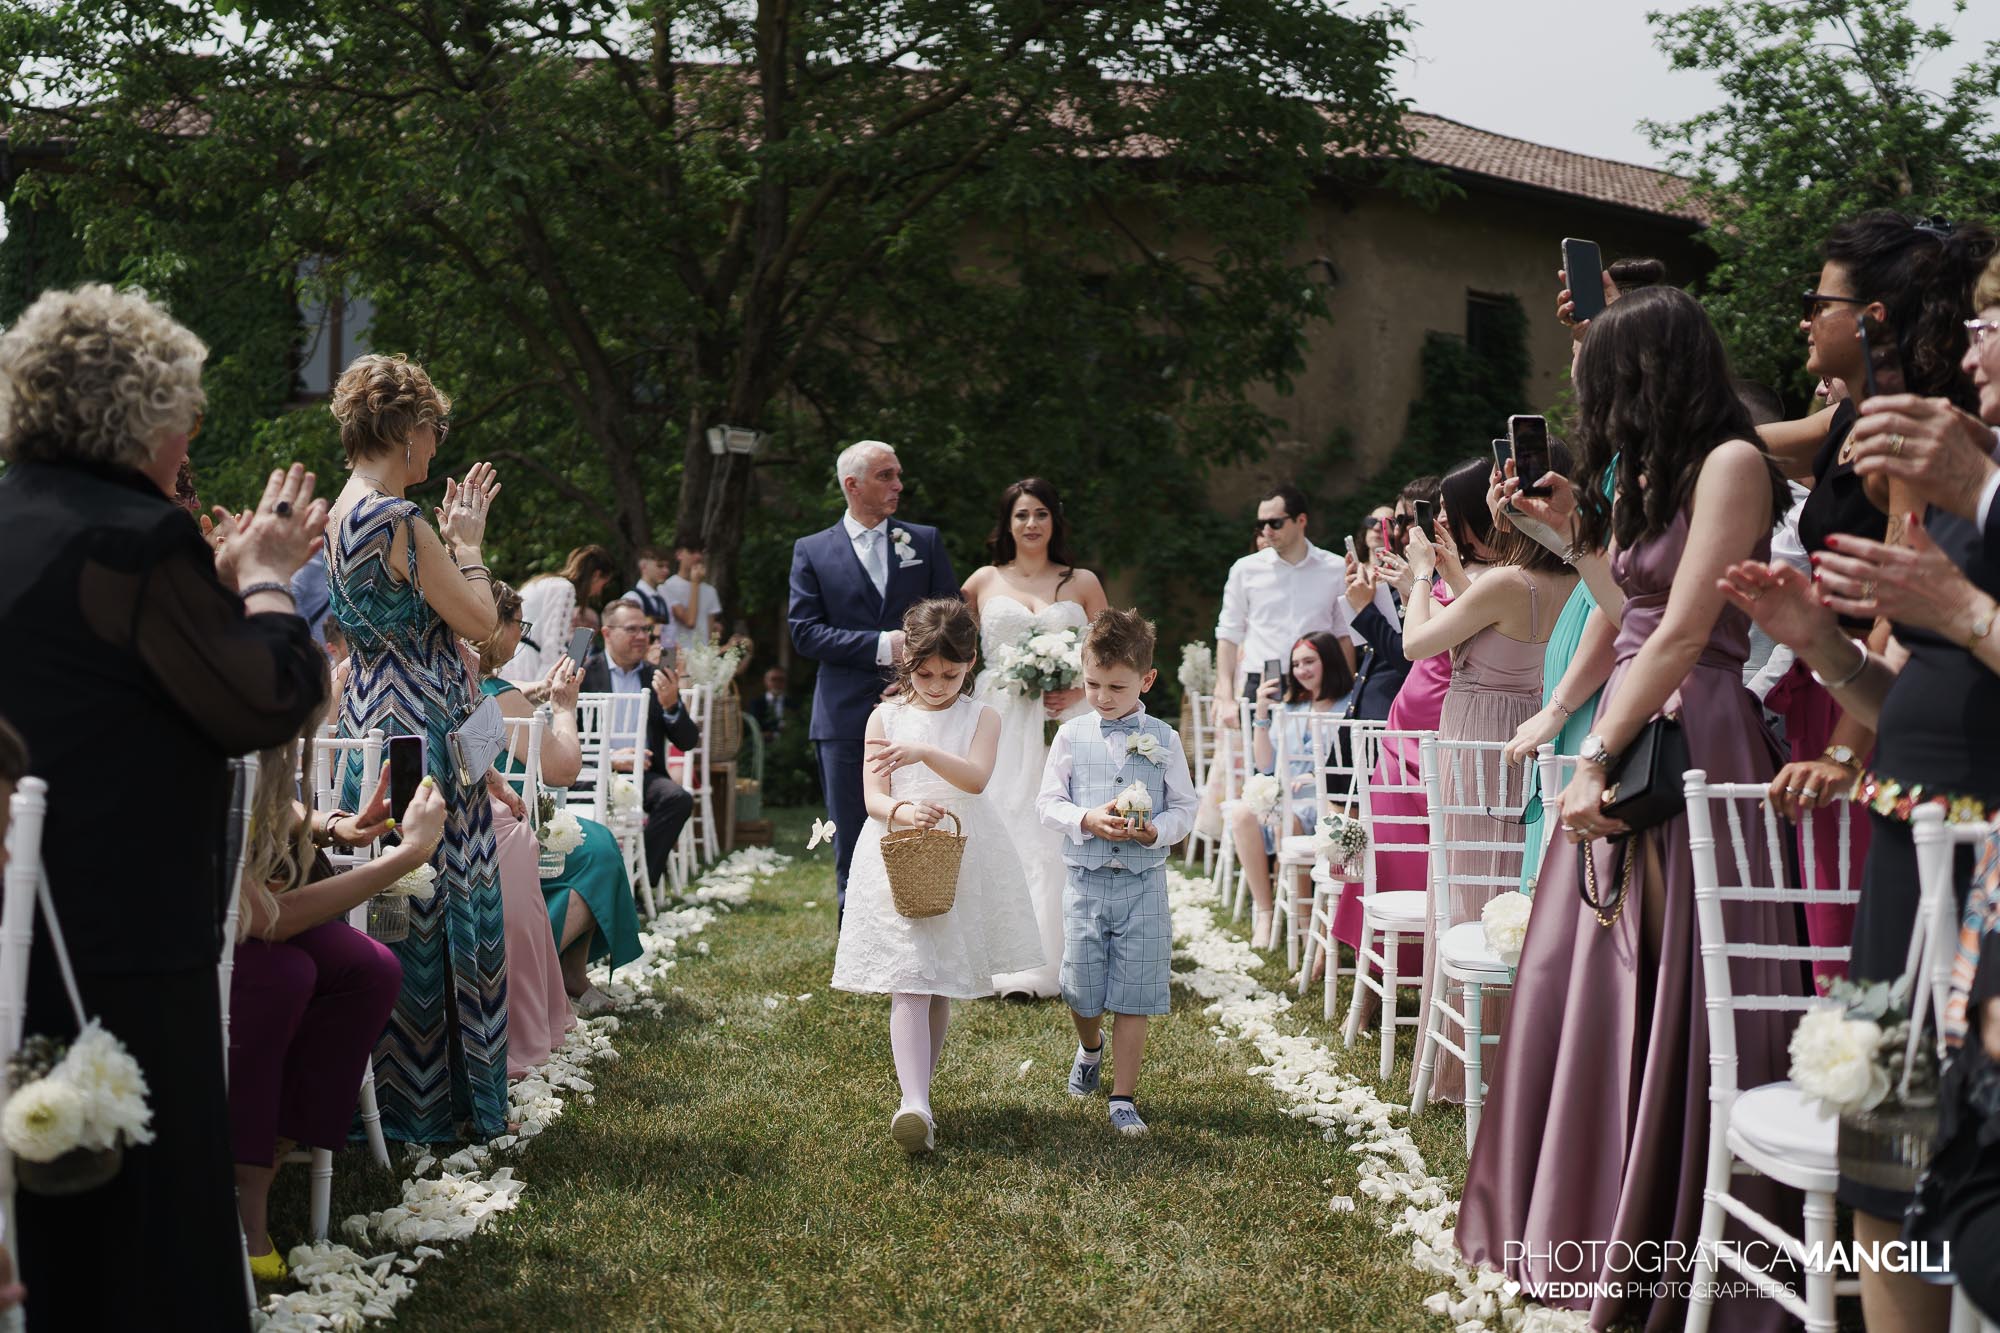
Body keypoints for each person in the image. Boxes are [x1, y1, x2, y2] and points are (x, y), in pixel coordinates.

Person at [1456, 285, 1801, 1332]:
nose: (1581, 399)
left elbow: (1689, 629)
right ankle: (1577, 1217)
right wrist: (1567, 540)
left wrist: (1592, 754)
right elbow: (1626, 610)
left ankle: (1682, 1250)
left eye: (1593, 377)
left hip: (1688, 734)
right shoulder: (1645, 473)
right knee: (1587, 973)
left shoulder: (1732, 463)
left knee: (1678, 984)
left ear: (1644, 372)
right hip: (1628, 719)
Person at [0, 284, 328, 1331]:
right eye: (185, 410)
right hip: (121, 941)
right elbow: (267, 696)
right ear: (142, 414)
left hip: (15, 920)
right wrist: (267, 578)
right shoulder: (134, 540)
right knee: (141, 1240)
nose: (190, 433)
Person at [1720, 239, 2000, 1332]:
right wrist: (1822, 649)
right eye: (1971, 324)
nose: (1971, 350)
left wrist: (1964, 606)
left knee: (1966, 1183)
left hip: (1982, 880)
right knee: (1888, 1185)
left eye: (1990, 326)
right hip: (1905, 861)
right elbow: (1915, 692)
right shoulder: (1963, 491)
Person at [324, 351, 511, 1145]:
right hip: (426, 720)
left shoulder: (340, 511)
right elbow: (481, 623)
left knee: (397, 887)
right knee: (437, 891)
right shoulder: (402, 520)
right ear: (405, 430)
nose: (436, 447)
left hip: (371, 713)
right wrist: (467, 541)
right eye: (433, 429)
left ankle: (390, 1096)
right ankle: (436, 1107)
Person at [228, 681, 435, 1280]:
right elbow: (263, 920)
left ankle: (277, 1141)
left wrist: (345, 827)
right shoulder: (204, 738)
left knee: (370, 969)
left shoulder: (260, 746)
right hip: (192, 927)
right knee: (286, 975)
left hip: (256, 905)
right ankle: (248, 1206)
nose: (298, 748)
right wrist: (405, 855)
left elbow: (273, 803)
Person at [829, 599, 1041, 1154]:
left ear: (970, 662)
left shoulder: (982, 717)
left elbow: (974, 780)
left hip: (961, 849)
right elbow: (874, 796)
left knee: (938, 975)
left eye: (951, 673)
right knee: (910, 976)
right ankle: (913, 1103)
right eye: (925, 674)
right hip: (899, 849)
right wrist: (900, 812)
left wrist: (923, 751)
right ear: (907, 664)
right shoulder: (884, 717)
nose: (938, 684)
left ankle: (922, 1091)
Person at [1398, 474, 1575, 1103]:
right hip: (1526, 735)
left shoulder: (1505, 583)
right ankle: (1512, 1055)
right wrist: (1455, 571)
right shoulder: (1567, 581)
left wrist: (1423, 573)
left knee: (1464, 881)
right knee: (1505, 877)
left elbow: (1416, 643)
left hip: (1476, 738)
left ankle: (1459, 1064)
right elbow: (1505, 632)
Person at [1037, 608, 1199, 1138]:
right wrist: (1084, 818)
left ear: (1146, 681)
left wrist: (1158, 832)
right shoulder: (1070, 735)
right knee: (1080, 987)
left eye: (1116, 686)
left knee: (1136, 989)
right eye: (1092, 684)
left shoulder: (1165, 739)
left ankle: (1123, 1096)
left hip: (1143, 886)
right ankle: (1089, 1046)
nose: (1102, 697)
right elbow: (1047, 803)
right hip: (1084, 882)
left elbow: (1184, 808)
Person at [788, 440, 959, 912]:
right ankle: (855, 946)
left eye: (898, 474)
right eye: (886, 475)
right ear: (852, 485)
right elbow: (804, 633)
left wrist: (916, 678)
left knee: (921, 826)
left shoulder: (922, 542)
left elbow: (951, 618)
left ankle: (922, 925)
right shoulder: (812, 551)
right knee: (850, 832)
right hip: (843, 717)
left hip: (921, 714)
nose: (898, 485)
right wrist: (884, 646)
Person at [962, 477, 1108, 999]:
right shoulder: (981, 582)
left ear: (1055, 520)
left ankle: (1057, 960)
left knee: (1056, 833)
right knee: (1001, 823)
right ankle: (995, 961)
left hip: (1063, 718)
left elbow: (1112, 656)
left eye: (1041, 513)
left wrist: (1080, 696)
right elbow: (958, 654)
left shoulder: (1082, 582)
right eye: (1021, 515)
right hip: (999, 720)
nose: (1031, 524)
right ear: (1007, 523)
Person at [478, 581, 641, 1016]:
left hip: (482, 823)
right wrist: (565, 708)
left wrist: (536, 690)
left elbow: (501, 698)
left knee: (591, 843)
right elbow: (564, 770)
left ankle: (572, 976)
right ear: (497, 628)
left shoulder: (465, 679)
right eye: (518, 624)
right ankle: (537, 970)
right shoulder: (500, 694)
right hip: (507, 828)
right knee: (599, 851)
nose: (521, 633)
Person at [1225, 631, 1354, 951]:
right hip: (1288, 804)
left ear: (1330, 661)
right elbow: (1265, 765)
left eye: (1309, 661)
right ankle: (1266, 913)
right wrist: (1263, 714)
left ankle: (1305, 928)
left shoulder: (1349, 706)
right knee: (1242, 814)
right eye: (1295, 664)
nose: (1301, 671)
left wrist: (1316, 776)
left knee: (1290, 821)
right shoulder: (1291, 709)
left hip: (1328, 805)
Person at [1213, 484, 1357, 729]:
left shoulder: (1335, 568)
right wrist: (1226, 697)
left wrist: (1346, 692)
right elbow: (1228, 636)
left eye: (1274, 523)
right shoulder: (1244, 570)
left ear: (1301, 520)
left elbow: (1345, 635)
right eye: (1260, 525)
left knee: (1319, 766)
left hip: (1319, 683)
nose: (1266, 531)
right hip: (1263, 683)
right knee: (1261, 767)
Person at [580, 597, 701, 890]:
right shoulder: (583, 673)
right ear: (607, 633)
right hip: (590, 772)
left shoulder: (655, 675)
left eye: (644, 630)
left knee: (679, 799)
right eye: (632, 629)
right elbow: (564, 734)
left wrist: (672, 706)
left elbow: (687, 742)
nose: (642, 636)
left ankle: (632, 886)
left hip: (644, 775)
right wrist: (609, 759)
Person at [504, 545, 619, 684]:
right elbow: (552, 646)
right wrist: (548, 685)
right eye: (603, 584)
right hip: (525, 664)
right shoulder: (563, 588)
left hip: (513, 656)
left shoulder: (546, 581)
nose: (599, 592)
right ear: (596, 575)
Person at [661, 535, 723, 659]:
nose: (698, 557)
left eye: (700, 552)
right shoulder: (666, 587)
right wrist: (695, 583)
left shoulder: (710, 591)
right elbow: (690, 621)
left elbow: (710, 635)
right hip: (674, 658)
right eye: (691, 552)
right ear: (679, 554)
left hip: (702, 660)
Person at [628, 545, 674, 626]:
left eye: (667, 566)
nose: (666, 571)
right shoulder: (632, 599)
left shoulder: (664, 598)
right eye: (660, 566)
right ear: (643, 567)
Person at [747, 666, 791, 740]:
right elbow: (751, 729)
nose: (777, 683)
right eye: (773, 679)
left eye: (781, 680)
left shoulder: (792, 704)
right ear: (765, 681)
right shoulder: (756, 704)